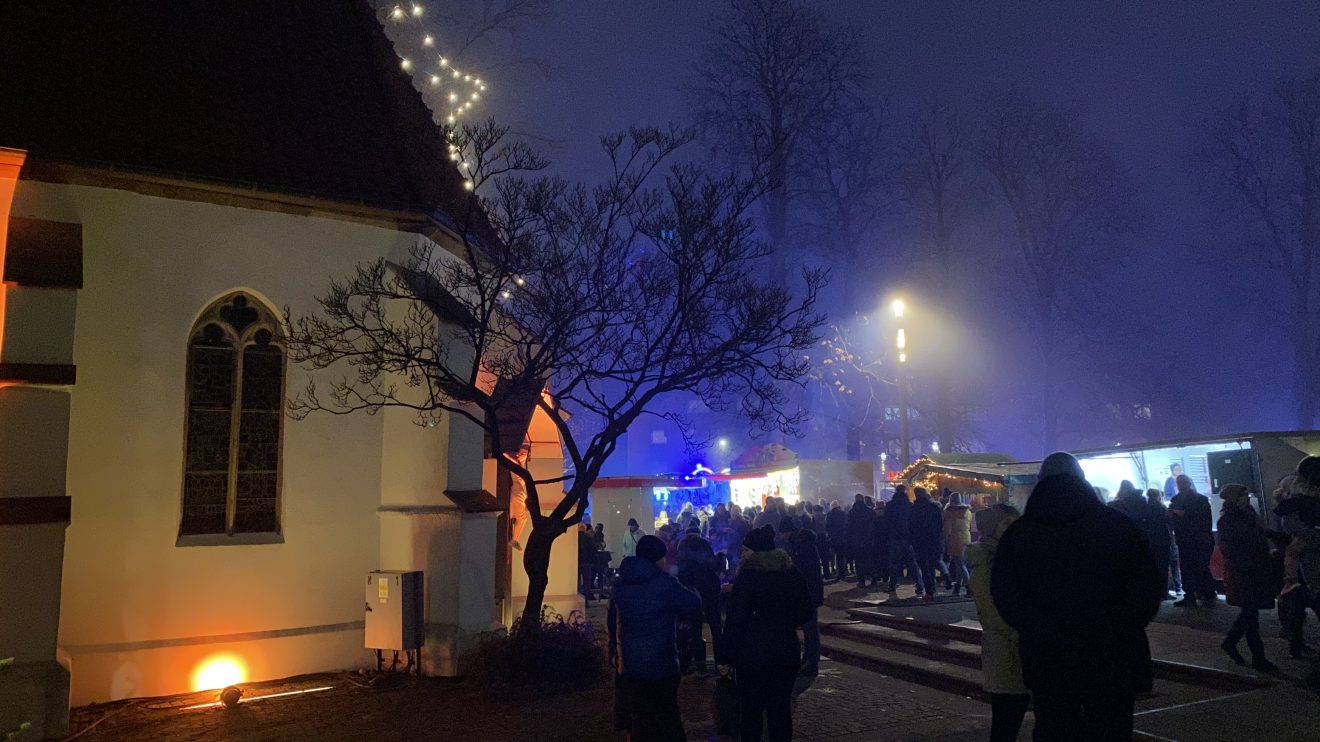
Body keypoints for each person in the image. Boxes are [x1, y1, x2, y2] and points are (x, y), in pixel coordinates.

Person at [991, 452, 1164, 742]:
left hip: (1049, 659)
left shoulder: (1020, 534)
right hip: (1112, 655)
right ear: (1081, 479)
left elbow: (1007, 596)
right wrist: (1114, 629)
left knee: (1055, 727)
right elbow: (1146, 587)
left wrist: (1043, 632)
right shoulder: (1117, 526)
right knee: (1111, 729)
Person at [722, 525, 814, 742]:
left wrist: (726, 656)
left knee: (751, 712)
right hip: (784, 651)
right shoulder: (790, 575)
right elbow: (805, 613)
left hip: (751, 655)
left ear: (754, 552)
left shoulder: (747, 578)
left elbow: (735, 621)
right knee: (780, 710)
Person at [608, 534, 702, 742]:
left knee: (640, 718)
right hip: (662, 663)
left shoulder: (621, 585)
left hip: (631, 664)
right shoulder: (665, 584)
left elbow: (612, 622)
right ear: (658, 559)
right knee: (667, 717)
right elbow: (693, 605)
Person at [967, 503, 1029, 742]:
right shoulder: (986, 563)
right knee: (1007, 719)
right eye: (1006, 523)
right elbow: (992, 613)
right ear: (992, 529)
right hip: (1006, 650)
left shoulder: (1011, 552)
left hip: (1015, 648)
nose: (1013, 527)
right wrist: (1023, 634)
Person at [1216, 484, 1281, 673]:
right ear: (1236, 498)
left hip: (1254, 569)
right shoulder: (1228, 520)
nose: (1248, 497)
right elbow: (1228, 547)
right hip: (1243, 571)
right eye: (1244, 495)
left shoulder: (1248, 515)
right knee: (1251, 613)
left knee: (1250, 612)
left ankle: (1231, 642)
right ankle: (1257, 657)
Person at [780, 516, 824, 675]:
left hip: (808, 592)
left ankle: (812, 662)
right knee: (807, 629)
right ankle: (808, 658)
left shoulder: (802, 545)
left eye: (784, 533)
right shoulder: (800, 544)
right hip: (807, 592)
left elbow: (805, 571)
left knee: (810, 628)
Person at [676, 526, 723, 672]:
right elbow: (713, 564)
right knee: (715, 629)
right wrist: (721, 558)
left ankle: (700, 664)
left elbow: (680, 570)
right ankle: (720, 663)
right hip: (709, 591)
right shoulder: (705, 545)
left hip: (692, 593)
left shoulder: (682, 547)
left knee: (695, 630)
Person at [1169, 474, 1217, 607]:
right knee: (1198, 567)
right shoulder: (1200, 499)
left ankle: (1195, 594)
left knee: (1193, 567)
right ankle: (1205, 593)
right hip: (1196, 540)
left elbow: (1202, 520)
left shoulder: (1179, 500)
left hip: (1191, 539)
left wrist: (1179, 515)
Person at [886, 486, 926, 596]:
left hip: (895, 538)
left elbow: (887, 523)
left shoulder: (890, 506)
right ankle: (919, 585)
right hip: (908, 538)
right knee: (913, 563)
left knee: (894, 564)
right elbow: (914, 523)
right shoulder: (909, 506)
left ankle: (892, 585)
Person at [911, 487, 944, 602]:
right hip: (933, 540)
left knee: (924, 567)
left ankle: (929, 591)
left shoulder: (914, 508)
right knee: (931, 565)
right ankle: (932, 588)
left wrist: (913, 539)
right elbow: (940, 524)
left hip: (919, 541)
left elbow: (911, 526)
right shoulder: (934, 507)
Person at [1143, 489, 1177, 600]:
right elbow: (1170, 524)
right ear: (1159, 496)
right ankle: (1164, 592)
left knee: (1154, 567)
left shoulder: (1145, 507)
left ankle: (1156, 592)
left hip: (1150, 541)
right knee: (1163, 567)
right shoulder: (1161, 508)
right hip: (1162, 540)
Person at [942, 493, 973, 596]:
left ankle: (969, 587)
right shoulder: (967, 511)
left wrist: (946, 540)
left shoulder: (950, 513)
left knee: (960, 565)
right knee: (961, 564)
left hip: (955, 539)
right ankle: (957, 588)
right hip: (966, 537)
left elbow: (947, 529)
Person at [845, 493, 876, 587]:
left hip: (856, 540)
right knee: (869, 559)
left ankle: (861, 581)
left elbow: (848, 527)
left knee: (858, 561)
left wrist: (849, 539)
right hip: (868, 540)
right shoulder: (869, 511)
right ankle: (873, 578)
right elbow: (874, 525)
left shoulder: (852, 512)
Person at [825, 501, 849, 578]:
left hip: (833, 537)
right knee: (841, 555)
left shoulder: (829, 514)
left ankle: (838, 572)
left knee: (836, 555)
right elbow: (846, 524)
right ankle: (843, 572)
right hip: (841, 537)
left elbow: (827, 526)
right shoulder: (842, 513)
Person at [578, 523, 599, 602]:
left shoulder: (574, 538)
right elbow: (593, 550)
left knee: (577, 582)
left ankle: (578, 597)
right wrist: (593, 561)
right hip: (587, 563)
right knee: (587, 582)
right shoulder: (588, 538)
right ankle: (586, 601)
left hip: (577, 563)